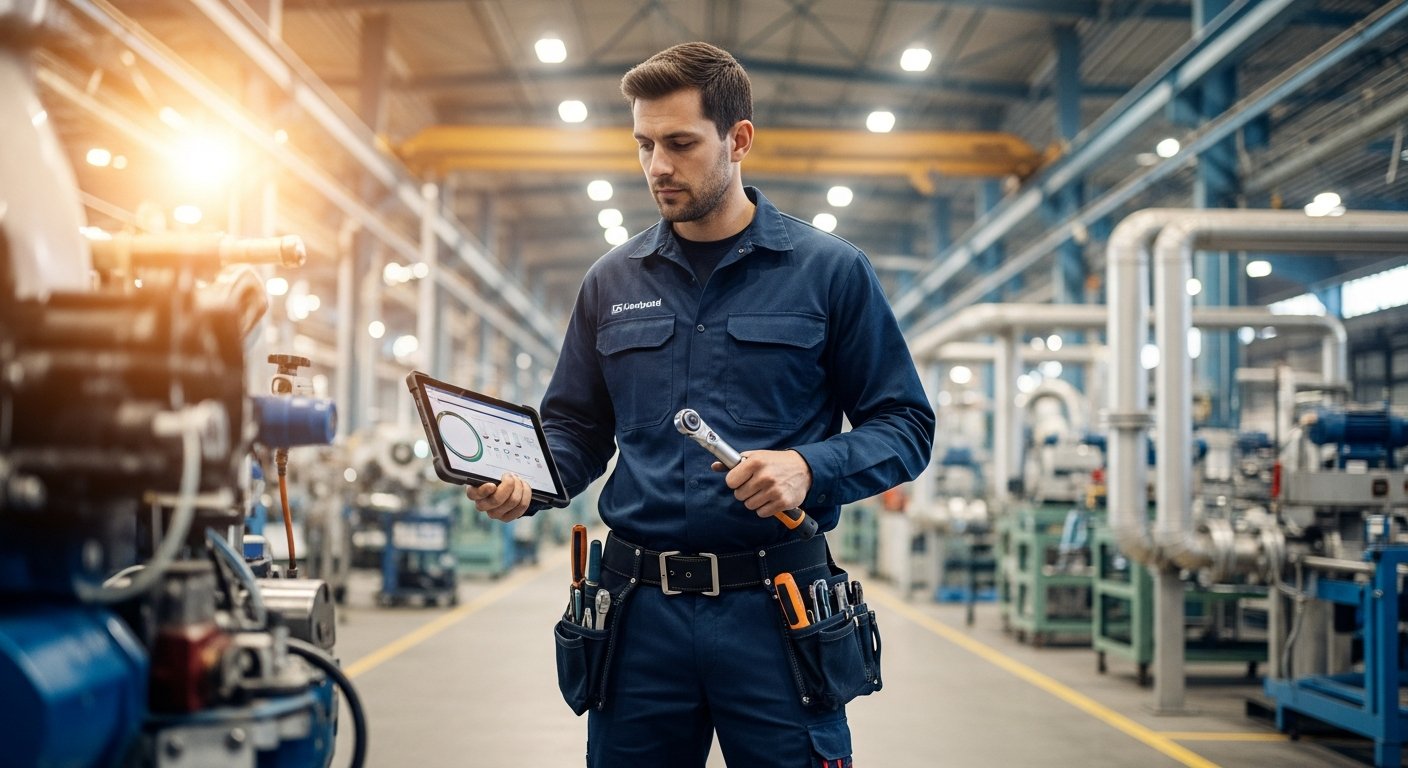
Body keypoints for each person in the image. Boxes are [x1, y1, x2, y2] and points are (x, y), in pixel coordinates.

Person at [466, 41, 935, 768]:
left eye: (680, 143)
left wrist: (808, 468)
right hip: (637, 614)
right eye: (644, 144)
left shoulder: (829, 273)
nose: (657, 166)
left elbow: (905, 425)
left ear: (738, 139)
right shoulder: (610, 282)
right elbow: (576, 430)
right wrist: (528, 484)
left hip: (778, 608)